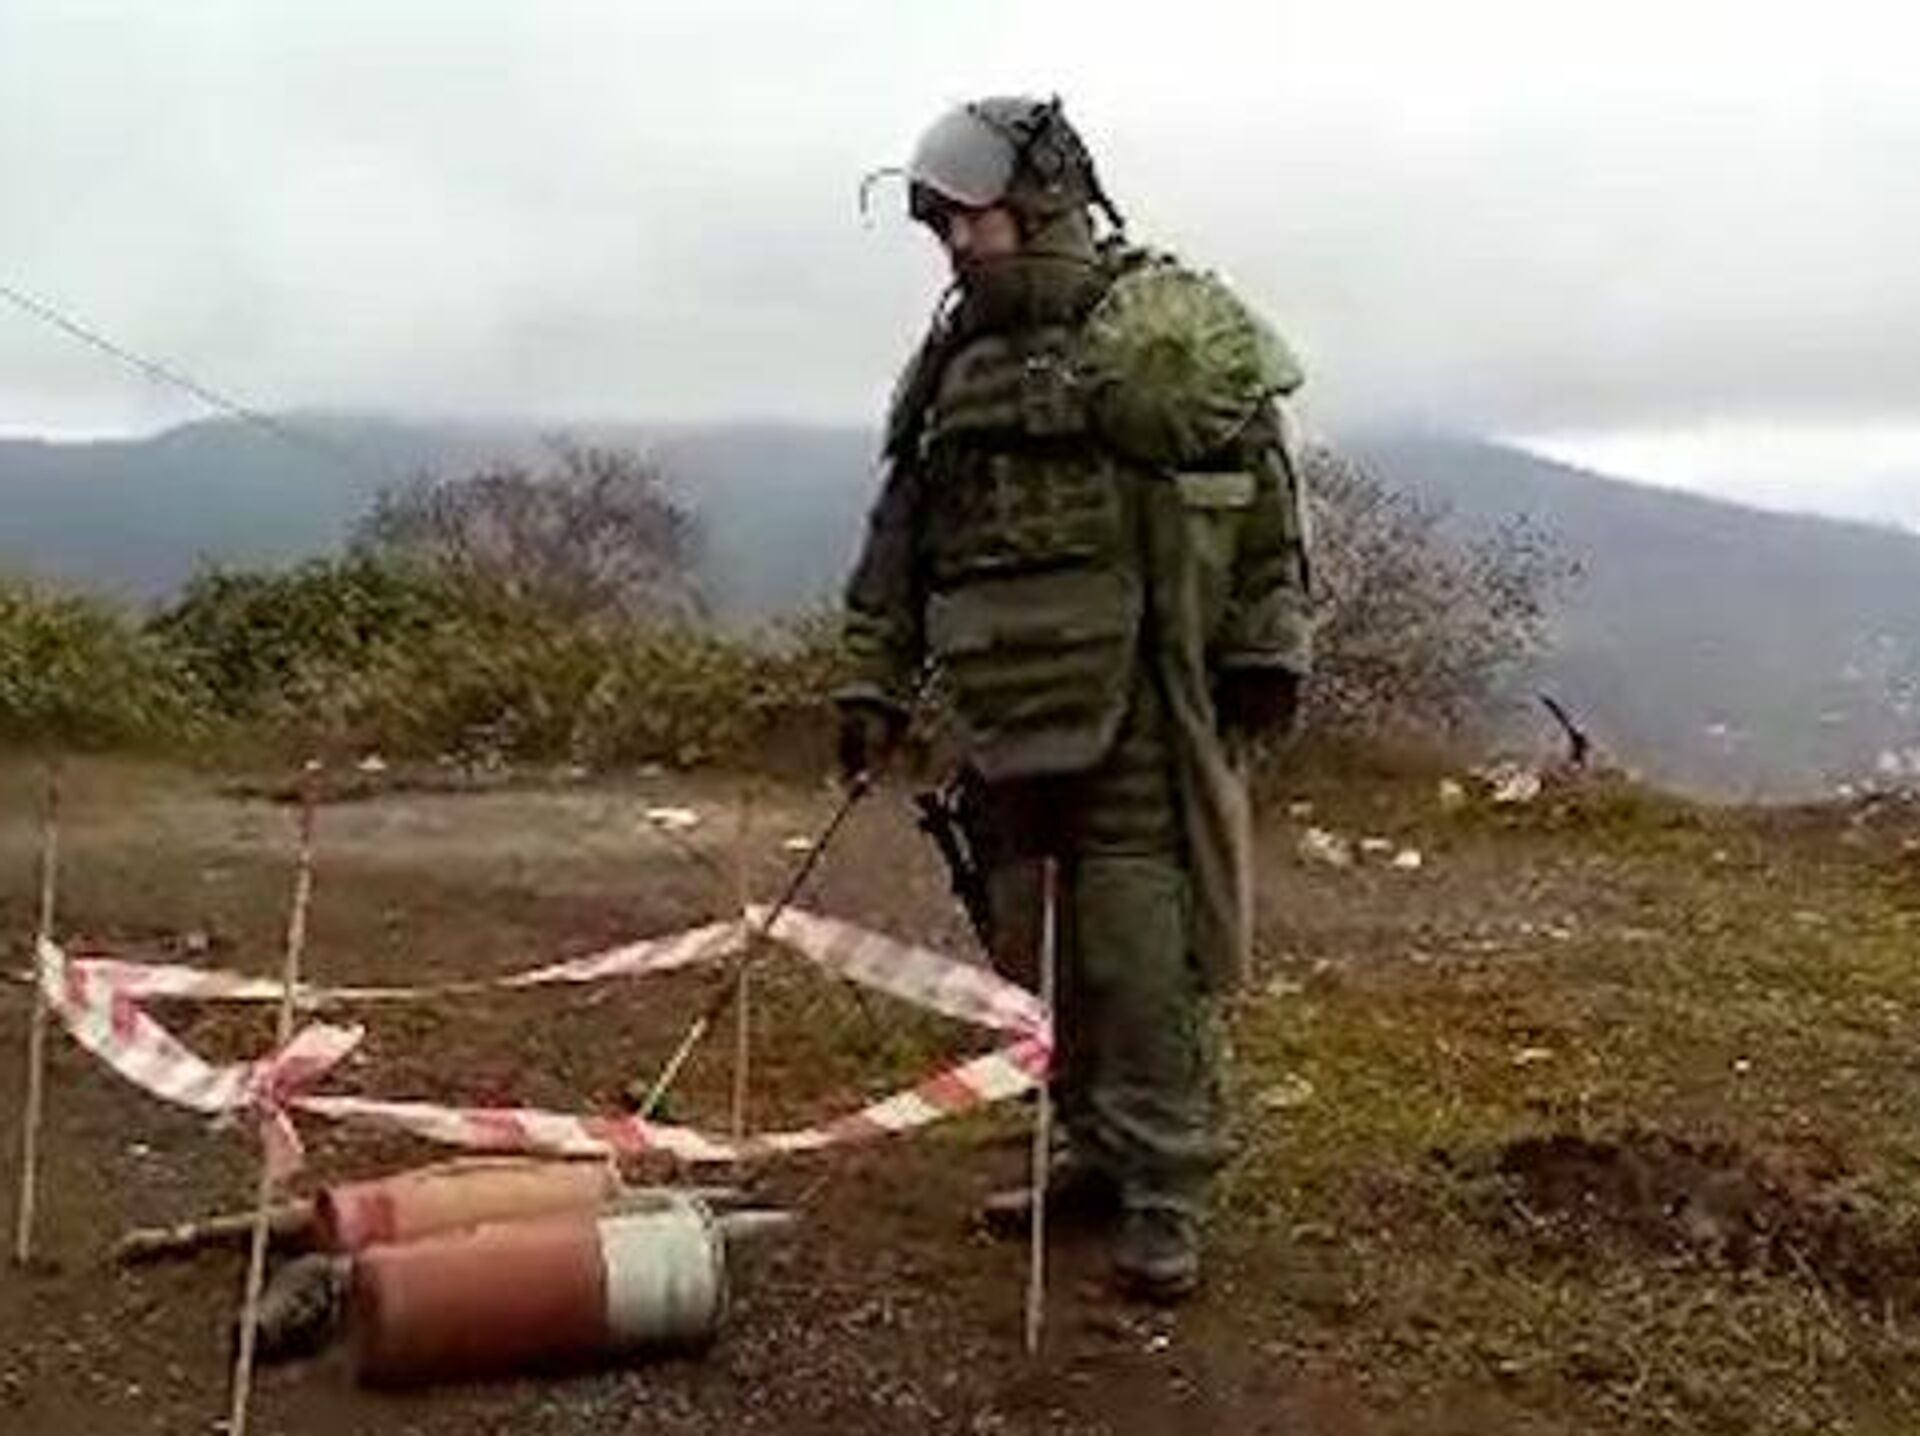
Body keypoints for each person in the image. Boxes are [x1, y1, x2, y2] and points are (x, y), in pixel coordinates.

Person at [837, 96, 1313, 1302]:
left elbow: (1262, 501)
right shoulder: (952, 364)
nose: (956, 245)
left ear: (1043, 202)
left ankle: (1166, 1186)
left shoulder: (1161, 332)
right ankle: (1092, 1144)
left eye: (973, 219)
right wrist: (871, 674)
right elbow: (904, 533)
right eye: (941, 227)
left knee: (1139, 948)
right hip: (994, 702)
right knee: (1029, 948)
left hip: (1135, 702)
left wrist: (1268, 643)